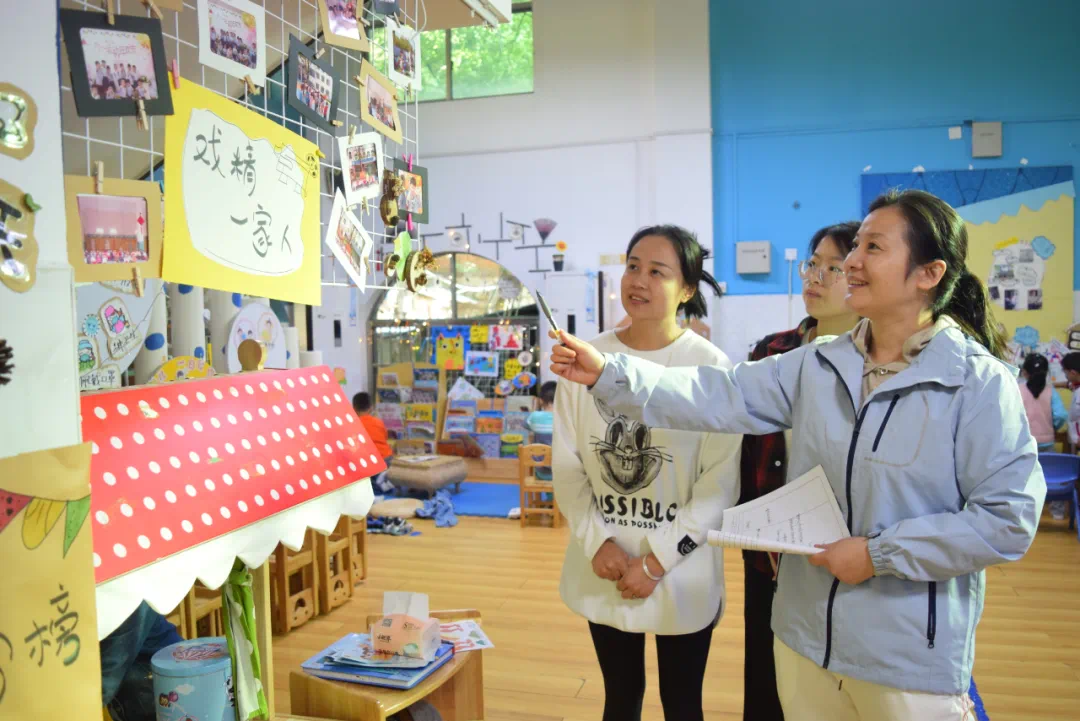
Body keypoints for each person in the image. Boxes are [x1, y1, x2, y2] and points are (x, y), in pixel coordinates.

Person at [550, 190, 1046, 721]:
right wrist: (609, 374)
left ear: (929, 273)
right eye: (854, 247)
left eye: (872, 248)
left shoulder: (976, 382)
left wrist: (879, 554)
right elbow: (719, 393)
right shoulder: (817, 363)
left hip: (906, 660)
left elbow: (1008, 519)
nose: (851, 262)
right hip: (805, 640)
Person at [552, 225, 740, 721]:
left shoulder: (711, 367)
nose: (638, 280)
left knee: (682, 703)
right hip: (606, 563)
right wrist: (597, 542)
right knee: (620, 697)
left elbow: (719, 485)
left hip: (681, 566)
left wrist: (657, 562)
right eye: (633, 266)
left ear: (687, 289)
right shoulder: (587, 360)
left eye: (658, 271)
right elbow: (567, 464)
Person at [739, 220, 860, 721]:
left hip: (844, 555)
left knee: (831, 684)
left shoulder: (875, 361)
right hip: (770, 550)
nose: (815, 276)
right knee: (764, 678)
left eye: (834, 267)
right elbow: (750, 452)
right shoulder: (772, 352)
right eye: (813, 263)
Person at [353, 392, 394, 493]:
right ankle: (383, 481)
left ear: (353, 408)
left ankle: (375, 483)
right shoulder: (378, 422)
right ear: (371, 408)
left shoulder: (352, 423)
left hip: (368, 461)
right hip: (386, 458)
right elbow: (384, 437)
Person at [527, 380, 556, 480]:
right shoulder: (565, 418)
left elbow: (527, 425)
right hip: (562, 472)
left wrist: (535, 408)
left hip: (541, 471)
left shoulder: (534, 416)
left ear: (541, 400)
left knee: (532, 438)